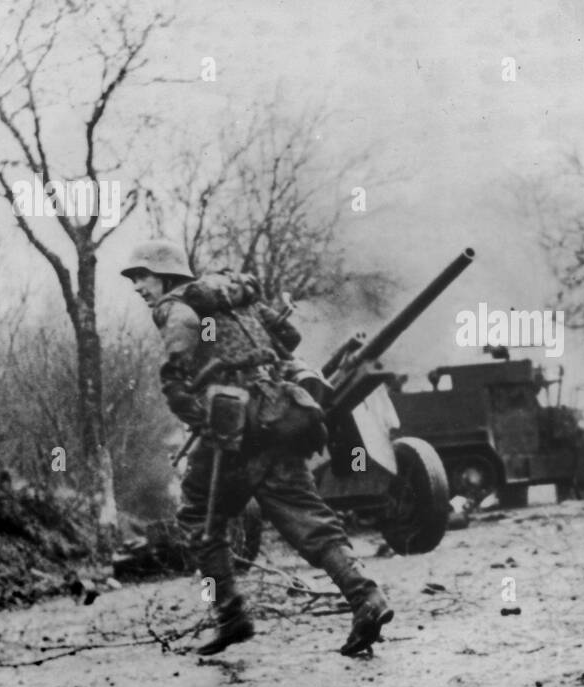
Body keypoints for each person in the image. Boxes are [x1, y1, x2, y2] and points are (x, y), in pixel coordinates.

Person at [122, 240, 393, 657]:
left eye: (142, 276)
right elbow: (288, 335)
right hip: (279, 418)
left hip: (234, 434)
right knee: (310, 521)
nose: (137, 286)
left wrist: (200, 414)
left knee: (198, 519)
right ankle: (367, 599)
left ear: (167, 275)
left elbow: (175, 376)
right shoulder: (234, 296)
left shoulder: (177, 308)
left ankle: (231, 617)